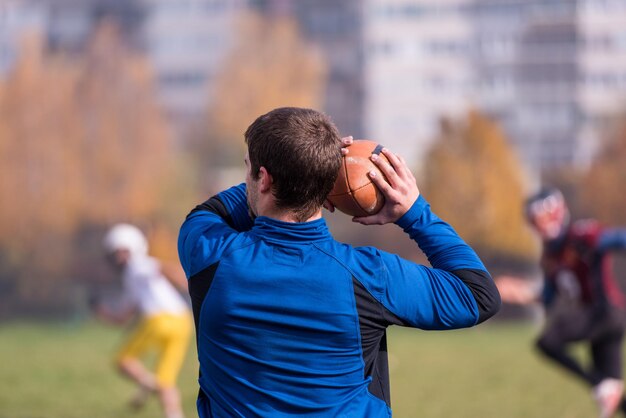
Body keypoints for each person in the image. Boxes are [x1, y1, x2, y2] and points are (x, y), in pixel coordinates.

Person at [178, 107, 500, 417]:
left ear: (262, 179)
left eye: (247, 167)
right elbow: (478, 296)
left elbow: (213, 211)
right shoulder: (369, 275)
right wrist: (415, 212)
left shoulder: (207, 252)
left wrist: (305, 167)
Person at [496, 187, 626, 418]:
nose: (542, 225)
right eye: (536, 221)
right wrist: (520, 292)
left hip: (605, 313)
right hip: (599, 322)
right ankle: (603, 386)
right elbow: (548, 296)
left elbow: (615, 239)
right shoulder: (549, 256)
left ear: (558, 212)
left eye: (545, 217)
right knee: (612, 399)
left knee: (548, 341)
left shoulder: (580, 235)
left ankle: (599, 384)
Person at [95, 223, 192, 418]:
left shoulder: (137, 266)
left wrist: (188, 283)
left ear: (129, 249)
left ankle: (148, 385)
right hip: (183, 322)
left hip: (160, 320)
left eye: (119, 252)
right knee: (167, 381)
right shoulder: (133, 277)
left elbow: (166, 268)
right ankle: (173, 412)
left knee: (123, 361)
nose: (116, 258)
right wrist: (102, 313)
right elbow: (123, 317)